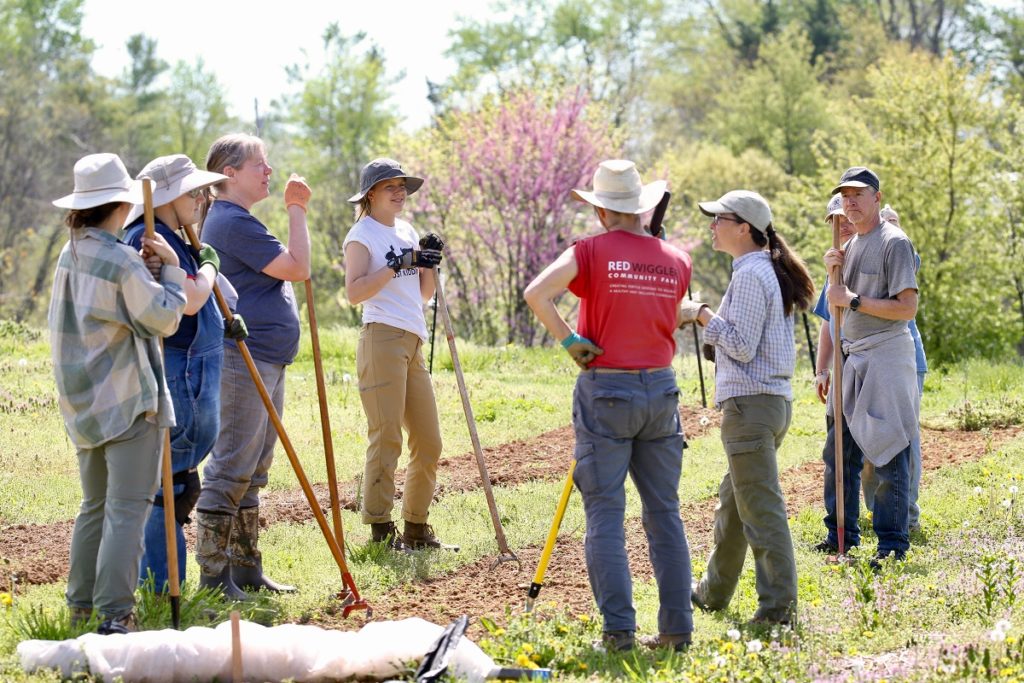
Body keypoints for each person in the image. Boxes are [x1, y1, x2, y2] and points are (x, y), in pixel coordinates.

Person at [524, 159, 694, 652]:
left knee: (604, 513)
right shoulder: (678, 259)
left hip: (607, 391)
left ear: (601, 212)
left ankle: (619, 633)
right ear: (642, 209)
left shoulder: (591, 251)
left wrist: (570, 341)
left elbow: (537, 293)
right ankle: (677, 631)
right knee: (665, 511)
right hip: (661, 390)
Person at [49, 153, 187, 633]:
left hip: (83, 402)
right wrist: (168, 268)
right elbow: (165, 317)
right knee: (127, 511)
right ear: (119, 203)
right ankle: (114, 617)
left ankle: (81, 609)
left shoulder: (72, 252)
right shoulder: (120, 260)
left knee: (95, 508)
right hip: (127, 400)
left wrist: (142, 271)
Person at [687, 190, 814, 625]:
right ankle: (712, 593)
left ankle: (778, 610)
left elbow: (739, 346)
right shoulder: (768, 271)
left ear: (744, 228)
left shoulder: (748, 275)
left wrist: (701, 314)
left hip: (750, 409)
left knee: (761, 511)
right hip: (771, 406)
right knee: (734, 504)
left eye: (718, 218)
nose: (711, 226)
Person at [194, 134, 311, 598]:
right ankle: (213, 576)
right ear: (230, 174)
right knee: (232, 466)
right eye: (260, 164)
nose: (268, 171)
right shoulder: (229, 221)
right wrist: (297, 209)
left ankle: (246, 568)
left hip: (267, 356)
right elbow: (298, 266)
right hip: (244, 357)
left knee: (254, 468)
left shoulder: (238, 219)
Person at [122, 154, 247, 593]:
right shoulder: (150, 238)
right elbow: (188, 301)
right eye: (194, 192)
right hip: (181, 373)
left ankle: (163, 581)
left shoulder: (178, 236)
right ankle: (161, 587)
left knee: (176, 482)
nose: (202, 200)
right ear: (169, 197)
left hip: (195, 372)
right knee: (167, 487)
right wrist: (209, 268)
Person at [342, 158, 452, 551]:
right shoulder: (362, 235)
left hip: (413, 339)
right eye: (390, 186)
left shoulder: (407, 231)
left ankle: (417, 527)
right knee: (386, 434)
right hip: (381, 337)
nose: (400, 191)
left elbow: (423, 294)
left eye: (402, 185)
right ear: (370, 193)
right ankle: (380, 528)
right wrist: (397, 264)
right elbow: (354, 292)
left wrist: (428, 261)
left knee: (429, 439)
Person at [815, 167, 919, 566]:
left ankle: (892, 545)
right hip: (851, 356)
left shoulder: (895, 243)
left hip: (886, 355)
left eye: (858, 193)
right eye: (845, 195)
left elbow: (906, 308)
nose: (850, 201)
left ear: (878, 197)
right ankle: (840, 534)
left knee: (889, 448)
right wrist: (832, 274)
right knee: (838, 450)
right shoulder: (849, 246)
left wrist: (853, 299)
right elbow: (833, 312)